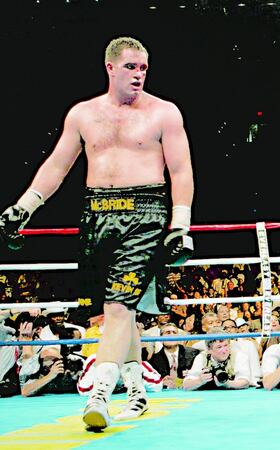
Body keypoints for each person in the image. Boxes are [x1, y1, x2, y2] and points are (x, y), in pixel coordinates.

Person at [0, 37, 195, 430]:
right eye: (131, 67)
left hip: (146, 213)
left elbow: (180, 170)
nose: (139, 74)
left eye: (143, 67)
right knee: (113, 313)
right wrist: (24, 206)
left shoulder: (164, 113)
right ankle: (138, 394)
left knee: (120, 308)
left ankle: (100, 396)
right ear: (110, 68)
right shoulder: (83, 114)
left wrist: (180, 225)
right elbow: (57, 166)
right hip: (96, 214)